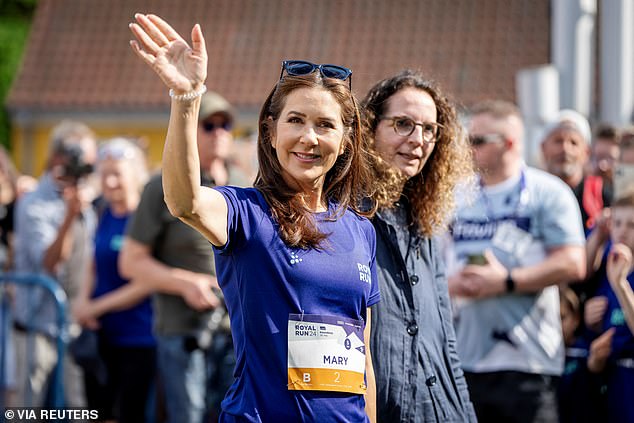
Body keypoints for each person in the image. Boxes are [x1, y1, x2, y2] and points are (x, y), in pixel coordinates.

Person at [128, 13, 379, 423]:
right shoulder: (247, 212)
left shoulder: (362, 230)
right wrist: (187, 98)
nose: (309, 138)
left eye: (325, 125)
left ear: (345, 140)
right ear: (270, 132)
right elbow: (184, 201)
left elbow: (364, 361)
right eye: (295, 120)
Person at [446, 100, 586, 423]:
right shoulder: (456, 195)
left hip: (530, 364)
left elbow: (573, 263)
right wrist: (454, 284)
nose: (468, 147)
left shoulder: (548, 192)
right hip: (465, 360)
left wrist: (506, 281)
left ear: (508, 143)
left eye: (478, 140)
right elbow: (434, 265)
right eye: (467, 138)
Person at [360, 70, 476, 422]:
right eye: (403, 124)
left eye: (429, 129)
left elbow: (445, 343)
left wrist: (465, 414)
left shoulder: (425, 223)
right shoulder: (348, 216)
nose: (419, 139)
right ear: (369, 129)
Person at [118, 90, 235, 421]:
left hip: (235, 331)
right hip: (183, 331)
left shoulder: (243, 185)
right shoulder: (162, 186)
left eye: (225, 124)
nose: (219, 133)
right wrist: (185, 283)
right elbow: (130, 261)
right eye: (209, 125)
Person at [12, 120, 98, 407]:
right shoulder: (33, 203)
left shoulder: (87, 204)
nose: (87, 170)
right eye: (82, 162)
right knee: (27, 410)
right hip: (36, 326)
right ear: (59, 158)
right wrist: (70, 216)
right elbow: (50, 263)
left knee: (77, 410)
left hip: (72, 327)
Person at [72, 138, 155, 422]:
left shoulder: (143, 219)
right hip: (102, 336)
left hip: (138, 337)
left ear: (134, 175)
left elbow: (145, 282)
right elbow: (92, 262)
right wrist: (83, 301)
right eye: (104, 173)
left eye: (116, 173)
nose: (109, 182)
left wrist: (96, 307)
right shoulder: (103, 213)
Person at [540, 109, 608, 232]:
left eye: (574, 143)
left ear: (586, 152)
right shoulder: (530, 194)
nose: (565, 149)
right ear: (543, 148)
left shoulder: (601, 194)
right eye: (558, 141)